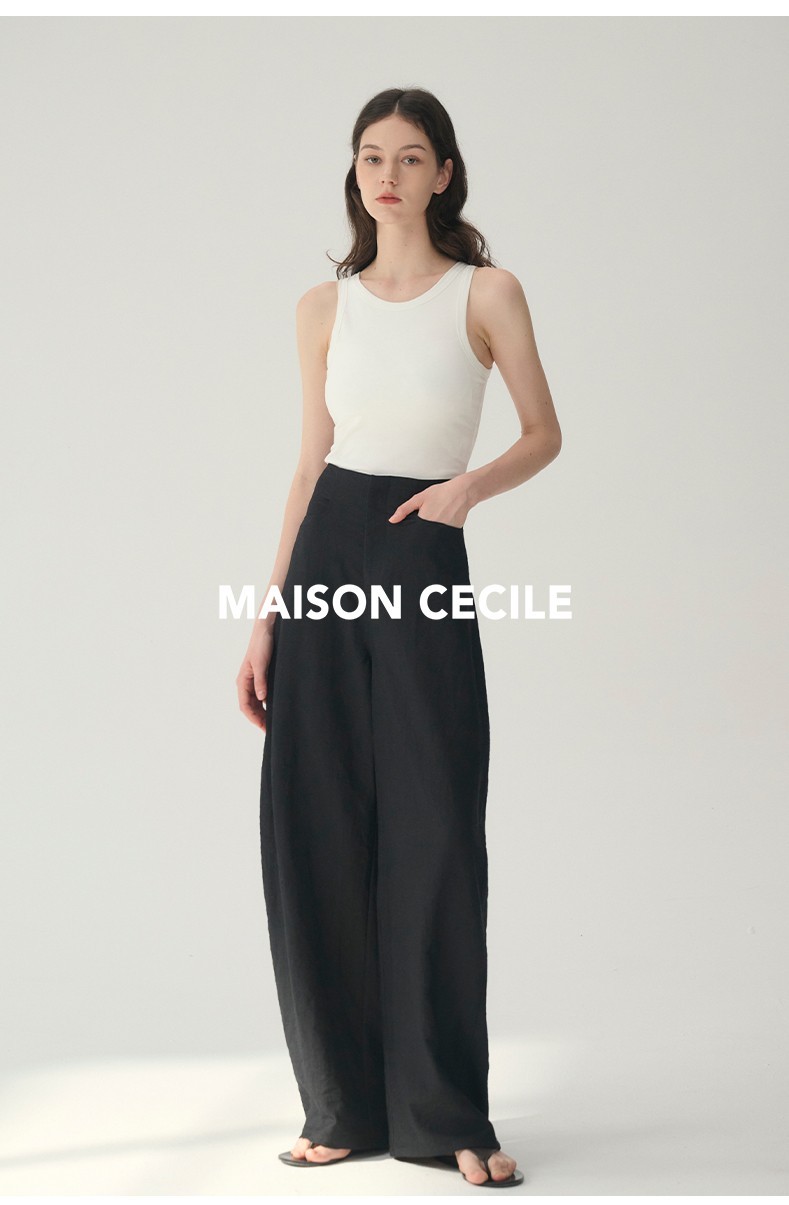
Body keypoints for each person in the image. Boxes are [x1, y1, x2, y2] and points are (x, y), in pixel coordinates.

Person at [236, 86, 561, 1190]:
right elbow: (306, 464)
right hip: (327, 550)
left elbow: (544, 432)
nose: (388, 175)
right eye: (372, 156)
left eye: (411, 157)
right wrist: (267, 617)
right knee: (314, 824)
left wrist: (467, 491)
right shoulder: (320, 307)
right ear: (356, 171)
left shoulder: (487, 291)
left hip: (423, 548)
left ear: (442, 174)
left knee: (435, 827)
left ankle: (444, 1113)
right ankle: (339, 1105)